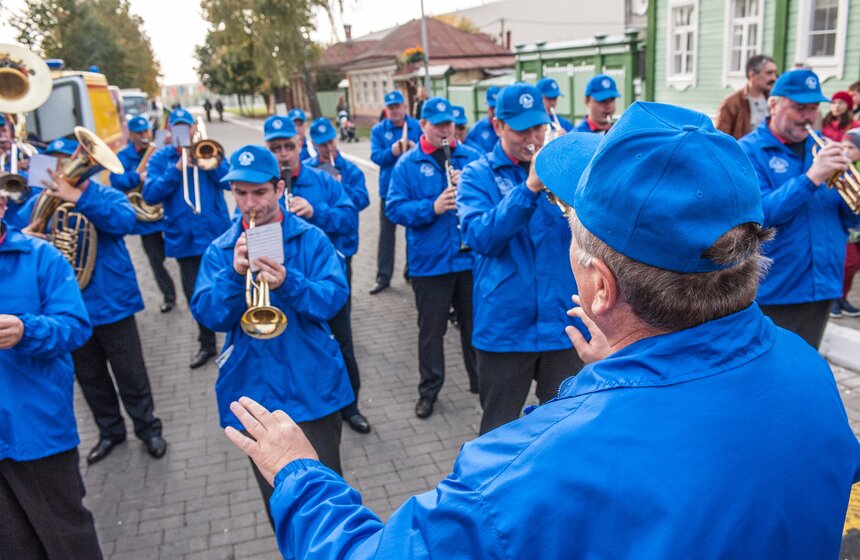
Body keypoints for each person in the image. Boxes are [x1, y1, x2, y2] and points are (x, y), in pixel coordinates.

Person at [223, 101, 860, 560]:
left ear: (601, 290)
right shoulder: (808, 372)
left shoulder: (531, 468)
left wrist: (300, 474)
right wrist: (639, 354)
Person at [191, 144, 353, 527]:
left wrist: (289, 282)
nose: (251, 203)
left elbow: (333, 299)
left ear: (279, 189)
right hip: (254, 389)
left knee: (327, 492)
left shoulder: (311, 238)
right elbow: (210, 315)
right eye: (241, 193)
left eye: (260, 192)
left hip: (312, 385)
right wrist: (234, 275)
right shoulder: (221, 249)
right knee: (280, 502)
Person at [17, 155, 168, 465]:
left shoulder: (105, 194)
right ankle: (110, 431)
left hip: (113, 303)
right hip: (67, 311)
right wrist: (26, 234)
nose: (61, 173)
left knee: (131, 373)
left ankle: (147, 428)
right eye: (55, 167)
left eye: (67, 164)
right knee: (90, 376)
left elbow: (125, 221)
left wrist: (80, 197)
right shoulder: (38, 203)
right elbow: (14, 233)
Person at [458, 83, 587, 434]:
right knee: (498, 429)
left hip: (563, 324)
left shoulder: (562, 172)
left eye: (538, 127)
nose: (532, 137)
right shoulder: (476, 174)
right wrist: (528, 188)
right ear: (498, 126)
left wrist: (572, 169)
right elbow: (480, 237)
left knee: (563, 426)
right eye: (521, 129)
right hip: (504, 327)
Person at [0, 187, 104, 559]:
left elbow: (75, 326)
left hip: (36, 427)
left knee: (67, 537)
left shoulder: (41, 257)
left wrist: (26, 331)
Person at [738, 69, 859, 348]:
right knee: (771, 370)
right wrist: (811, 178)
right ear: (774, 105)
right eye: (799, 108)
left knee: (807, 363)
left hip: (824, 282)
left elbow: (847, 218)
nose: (808, 116)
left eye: (814, 108)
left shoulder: (826, 148)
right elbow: (757, 217)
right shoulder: (748, 151)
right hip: (778, 287)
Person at [386, 97, 482, 418]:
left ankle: (480, 381)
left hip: (469, 260)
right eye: (438, 124)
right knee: (431, 332)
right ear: (422, 126)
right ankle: (429, 390)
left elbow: (491, 201)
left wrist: (467, 189)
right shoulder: (407, 165)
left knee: (475, 326)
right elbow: (394, 208)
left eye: (449, 124)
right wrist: (432, 207)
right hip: (430, 264)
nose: (445, 130)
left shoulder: (472, 158)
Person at [143, 107, 231, 368]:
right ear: (169, 131)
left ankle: (236, 340)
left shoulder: (209, 150)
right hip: (184, 240)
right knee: (196, 295)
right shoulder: (161, 159)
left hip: (216, 236)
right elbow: (150, 194)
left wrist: (208, 162)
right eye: (177, 127)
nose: (183, 131)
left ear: (194, 128)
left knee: (227, 288)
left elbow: (228, 181)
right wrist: (176, 169)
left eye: (187, 126)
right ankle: (207, 344)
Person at [304, 117, 372, 434]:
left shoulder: (349, 169)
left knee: (343, 335)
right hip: (307, 265)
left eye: (331, 142)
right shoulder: (307, 171)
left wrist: (339, 188)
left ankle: (351, 405)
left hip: (340, 253)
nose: (328, 148)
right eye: (321, 144)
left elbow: (359, 203)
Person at [110, 115, 177, 313]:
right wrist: (137, 177)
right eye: (138, 133)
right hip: (146, 220)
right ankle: (169, 296)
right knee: (156, 261)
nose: (143, 136)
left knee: (184, 258)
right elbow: (116, 180)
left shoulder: (158, 151)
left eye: (145, 132)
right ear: (130, 134)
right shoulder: (123, 157)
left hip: (167, 213)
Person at [369, 90, 421, 294]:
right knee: (386, 235)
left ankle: (412, 271)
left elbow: (426, 150)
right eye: (391, 108)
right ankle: (383, 277)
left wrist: (414, 148)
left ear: (404, 107)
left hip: (413, 189)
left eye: (398, 106)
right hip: (388, 191)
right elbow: (376, 157)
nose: (395, 111)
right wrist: (393, 151)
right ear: (387, 110)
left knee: (414, 232)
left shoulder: (416, 126)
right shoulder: (379, 130)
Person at [831, 127, 860, 318]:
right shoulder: (840, 169)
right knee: (848, 263)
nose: (845, 151)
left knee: (854, 266)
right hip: (846, 229)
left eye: (850, 147)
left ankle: (842, 298)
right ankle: (835, 298)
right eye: (843, 146)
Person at [715, 55, 778, 140]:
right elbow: (720, 140)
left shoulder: (774, 100)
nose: (774, 78)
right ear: (752, 74)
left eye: (775, 73)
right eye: (769, 73)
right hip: (743, 152)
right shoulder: (731, 103)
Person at [464, 86, 500, 153]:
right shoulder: (477, 128)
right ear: (486, 104)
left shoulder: (508, 127)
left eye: (497, 107)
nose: (494, 111)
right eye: (492, 107)